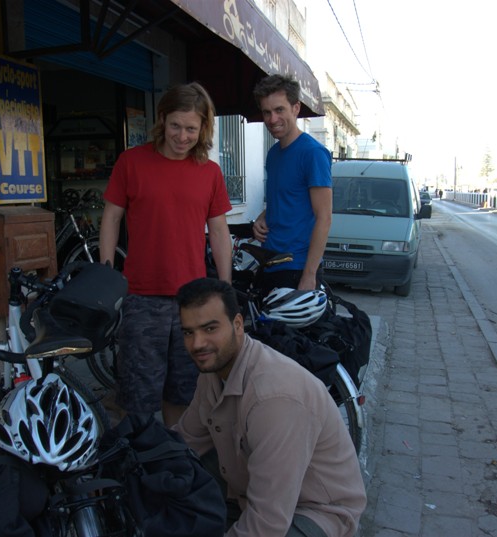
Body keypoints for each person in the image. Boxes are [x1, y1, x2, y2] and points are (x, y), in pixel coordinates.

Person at [174, 278, 367, 537]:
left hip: (315, 509)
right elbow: (186, 440)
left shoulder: (274, 398)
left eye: (210, 329)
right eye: (189, 332)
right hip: (253, 485)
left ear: (238, 325)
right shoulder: (213, 371)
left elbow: (267, 524)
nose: (197, 344)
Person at [99, 82, 232, 426]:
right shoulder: (132, 162)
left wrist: (225, 286)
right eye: (175, 125)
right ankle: (140, 462)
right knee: (138, 398)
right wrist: (106, 271)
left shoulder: (210, 172)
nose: (182, 136)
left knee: (183, 394)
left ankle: (174, 462)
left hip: (193, 302)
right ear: (162, 119)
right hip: (141, 298)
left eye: (191, 128)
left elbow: (218, 230)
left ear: (203, 128)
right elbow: (111, 217)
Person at [251, 74, 333, 292]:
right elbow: (285, 199)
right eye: (266, 112)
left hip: (297, 268)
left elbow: (324, 218)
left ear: (296, 108)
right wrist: (263, 217)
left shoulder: (313, 153)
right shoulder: (273, 154)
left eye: (279, 110)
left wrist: (309, 276)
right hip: (270, 262)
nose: (272, 119)